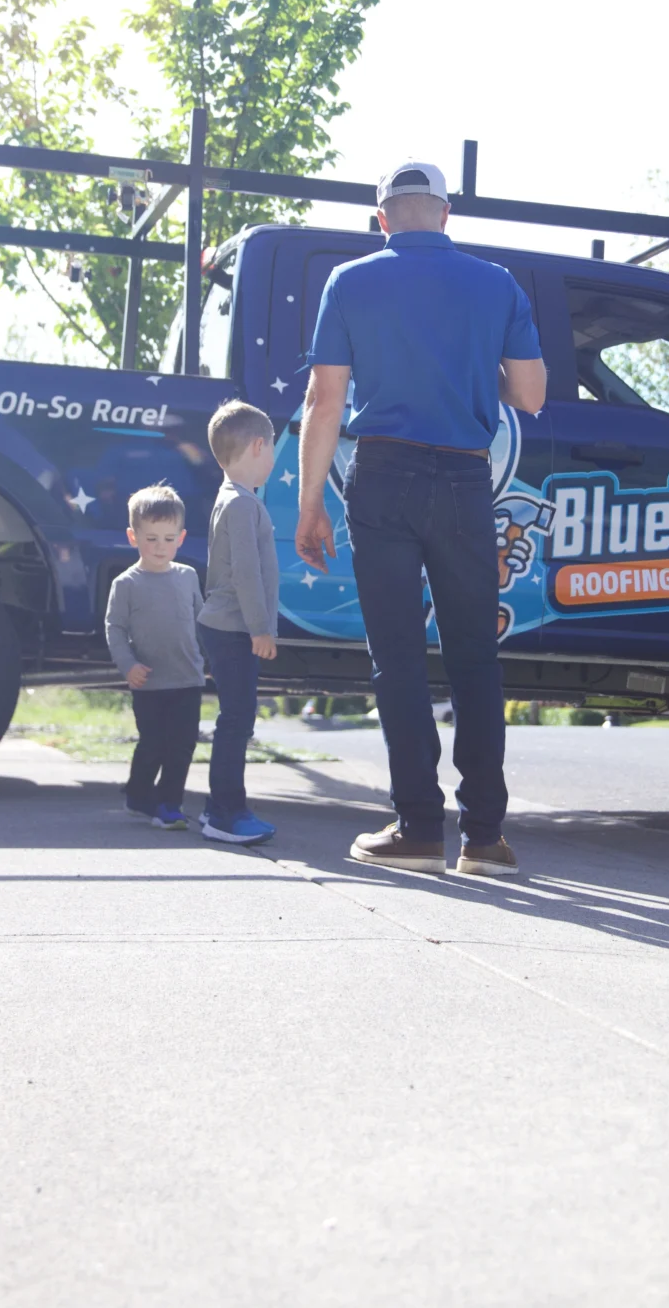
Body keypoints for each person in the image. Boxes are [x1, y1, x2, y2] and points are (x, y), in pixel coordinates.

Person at [297, 161, 546, 876]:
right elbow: (529, 395)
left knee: (398, 658)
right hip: (465, 481)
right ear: (444, 214)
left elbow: (324, 402)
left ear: (382, 219)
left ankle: (415, 830)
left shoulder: (350, 282)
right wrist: (475, 369)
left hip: (382, 478)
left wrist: (312, 504)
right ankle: (486, 838)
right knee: (474, 655)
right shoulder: (496, 284)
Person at [197, 400, 281, 845]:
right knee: (237, 720)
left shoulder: (230, 498)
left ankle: (220, 807)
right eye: (271, 449)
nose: (273, 459)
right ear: (256, 446)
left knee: (236, 717)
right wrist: (260, 628)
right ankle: (227, 811)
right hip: (234, 628)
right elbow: (246, 573)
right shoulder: (243, 505)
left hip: (226, 624)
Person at [105, 484, 203, 832]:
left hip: (188, 678)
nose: (160, 547)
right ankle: (138, 792)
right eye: (151, 539)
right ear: (133, 536)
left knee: (183, 745)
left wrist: (210, 659)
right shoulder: (126, 583)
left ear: (181, 537)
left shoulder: (188, 577)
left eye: (168, 538)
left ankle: (170, 804)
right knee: (154, 744)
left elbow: (200, 622)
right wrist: (128, 665)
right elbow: (114, 628)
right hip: (148, 682)